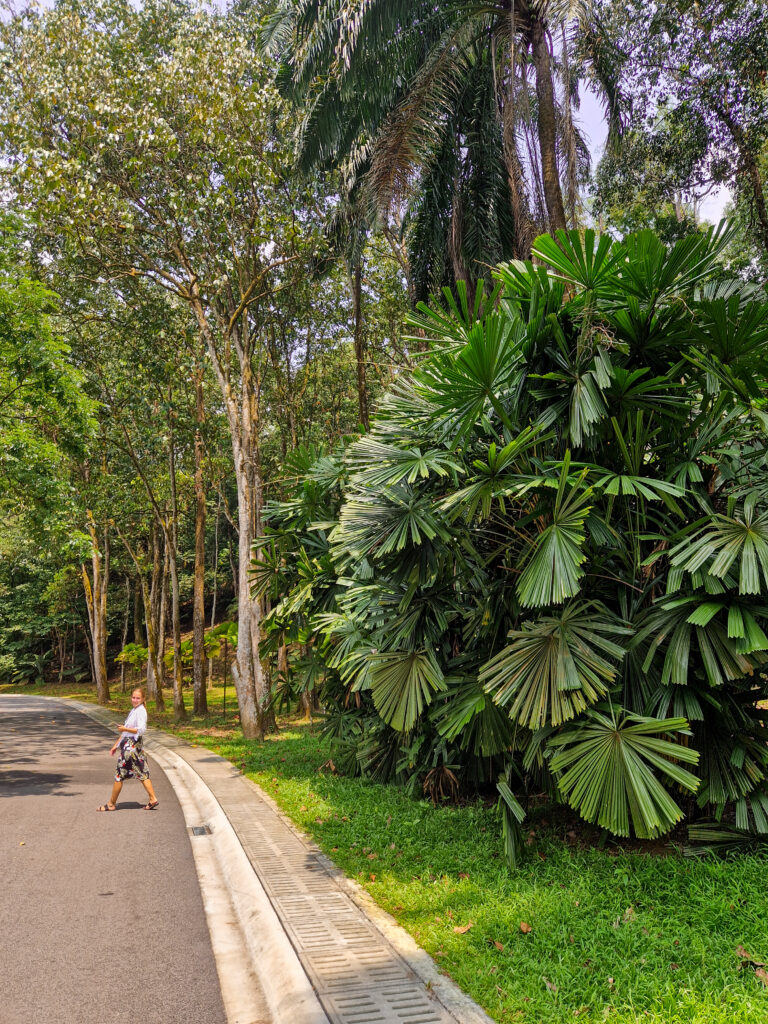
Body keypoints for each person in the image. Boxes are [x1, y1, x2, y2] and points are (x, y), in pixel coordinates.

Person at [97, 687, 159, 811]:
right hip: (132, 747)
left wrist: (124, 729)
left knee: (120, 775)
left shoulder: (141, 711)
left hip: (131, 748)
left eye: (138, 698)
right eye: (133, 697)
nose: (135, 700)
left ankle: (111, 804)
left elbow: (141, 730)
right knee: (142, 772)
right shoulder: (134, 710)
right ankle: (153, 799)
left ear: (143, 699)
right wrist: (116, 744)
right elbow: (125, 730)